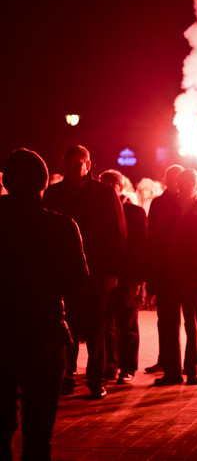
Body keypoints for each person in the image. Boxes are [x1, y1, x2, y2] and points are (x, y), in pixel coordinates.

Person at [0, 148, 89, 460]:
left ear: (7, 181)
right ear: (44, 182)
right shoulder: (62, 226)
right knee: (38, 437)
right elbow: (78, 279)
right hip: (44, 335)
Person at [43, 145, 126, 400]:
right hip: (64, 270)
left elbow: (118, 234)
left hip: (97, 269)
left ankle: (95, 378)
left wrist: (114, 271)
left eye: (78, 163)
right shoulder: (55, 193)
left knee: (95, 327)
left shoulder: (104, 193)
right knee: (66, 322)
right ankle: (67, 374)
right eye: (69, 162)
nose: (72, 168)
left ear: (88, 165)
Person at [152, 169, 197, 386]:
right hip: (169, 275)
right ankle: (173, 371)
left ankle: (192, 370)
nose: (186, 187)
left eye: (190, 183)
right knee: (169, 325)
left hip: (192, 277)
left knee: (192, 326)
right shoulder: (167, 206)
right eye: (182, 183)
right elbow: (155, 242)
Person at [99, 170, 147, 385]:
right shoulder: (98, 211)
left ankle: (128, 368)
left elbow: (141, 249)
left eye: (110, 185)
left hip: (128, 276)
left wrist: (138, 279)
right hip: (105, 274)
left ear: (120, 186)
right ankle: (110, 365)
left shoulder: (135, 212)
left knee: (127, 324)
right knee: (106, 323)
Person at [143, 164, 183, 375]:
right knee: (166, 319)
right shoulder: (160, 203)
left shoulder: (187, 202)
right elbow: (153, 238)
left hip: (178, 269)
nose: (174, 182)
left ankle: (183, 364)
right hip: (166, 268)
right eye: (171, 178)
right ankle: (166, 360)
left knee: (177, 320)